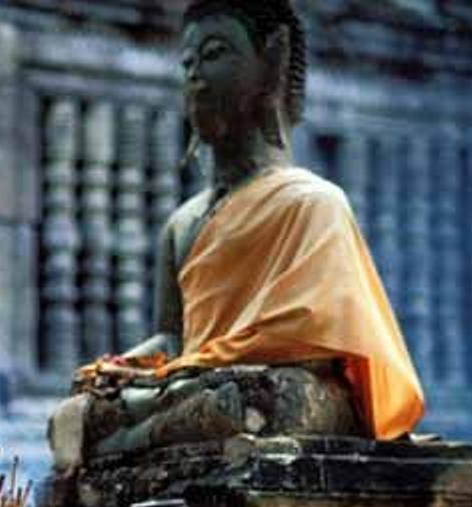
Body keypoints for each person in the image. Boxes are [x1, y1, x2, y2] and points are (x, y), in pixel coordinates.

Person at [58, 0, 424, 462]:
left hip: (274, 386)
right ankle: (136, 431)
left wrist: (197, 369)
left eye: (213, 54)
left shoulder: (313, 203)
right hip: (198, 383)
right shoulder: (183, 222)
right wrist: (122, 368)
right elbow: (174, 338)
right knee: (80, 406)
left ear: (272, 61)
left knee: (243, 402)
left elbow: (309, 347)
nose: (193, 74)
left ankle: (131, 439)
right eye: (187, 62)